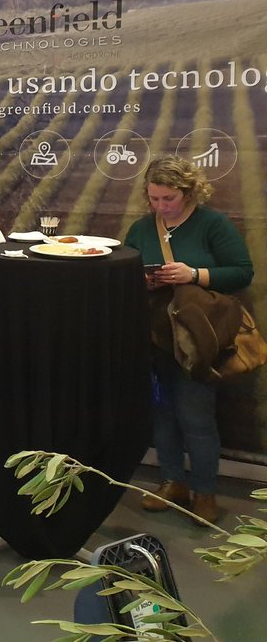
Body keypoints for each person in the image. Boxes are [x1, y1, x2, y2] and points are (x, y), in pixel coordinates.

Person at [124, 156, 254, 524]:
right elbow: (125, 269)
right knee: (163, 413)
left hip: (198, 340)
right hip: (155, 335)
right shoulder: (141, 228)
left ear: (190, 191)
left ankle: (205, 493)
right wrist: (143, 279)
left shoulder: (213, 224)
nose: (161, 206)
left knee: (196, 416)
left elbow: (242, 273)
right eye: (154, 198)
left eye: (169, 198)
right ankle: (172, 483)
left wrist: (193, 274)